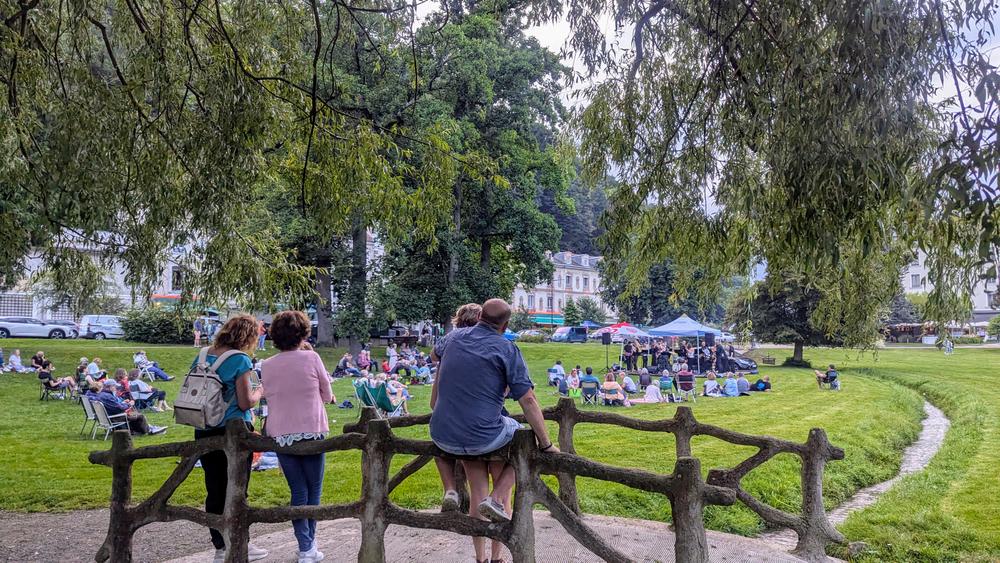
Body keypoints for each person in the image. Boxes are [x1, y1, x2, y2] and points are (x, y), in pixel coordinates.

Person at [430, 299, 558, 563]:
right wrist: (546, 443)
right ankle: (498, 500)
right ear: (506, 325)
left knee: (477, 493)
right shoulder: (506, 348)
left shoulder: (453, 338)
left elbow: (433, 355)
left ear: (480, 318)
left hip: (446, 435)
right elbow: (529, 400)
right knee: (527, 440)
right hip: (484, 434)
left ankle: (480, 558)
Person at [190, 315, 268, 562]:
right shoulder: (240, 359)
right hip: (233, 428)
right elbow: (245, 401)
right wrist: (260, 392)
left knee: (214, 487)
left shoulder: (203, 354)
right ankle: (238, 541)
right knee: (236, 487)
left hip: (203, 426)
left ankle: (219, 545)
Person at [260, 311, 333, 563]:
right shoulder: (312, 358)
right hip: (311, 428)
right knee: (314, 489)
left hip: (281, 433)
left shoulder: (266, 365)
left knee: (297, 490)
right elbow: (326, 395)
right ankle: (308, 545)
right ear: (302, 334)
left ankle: (306, 545)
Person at [431, 302, 483, 514]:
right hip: (476, 414)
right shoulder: (484, 339)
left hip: (446, 414)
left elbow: (433, 356)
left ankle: (450, 489)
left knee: (439, 443)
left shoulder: (450, 338)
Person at [89, 380, 165, 435]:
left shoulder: (102, 395)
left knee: (134, 413)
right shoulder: (107, 396)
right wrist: (129, 404)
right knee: (139, 416)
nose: (116, 388)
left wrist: (123, 403)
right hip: (115, 418)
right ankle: (149, 430)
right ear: (110, 387)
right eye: (115, 386)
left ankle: (148, 427)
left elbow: (115, 406)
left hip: (110, 417)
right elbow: (119, 408)